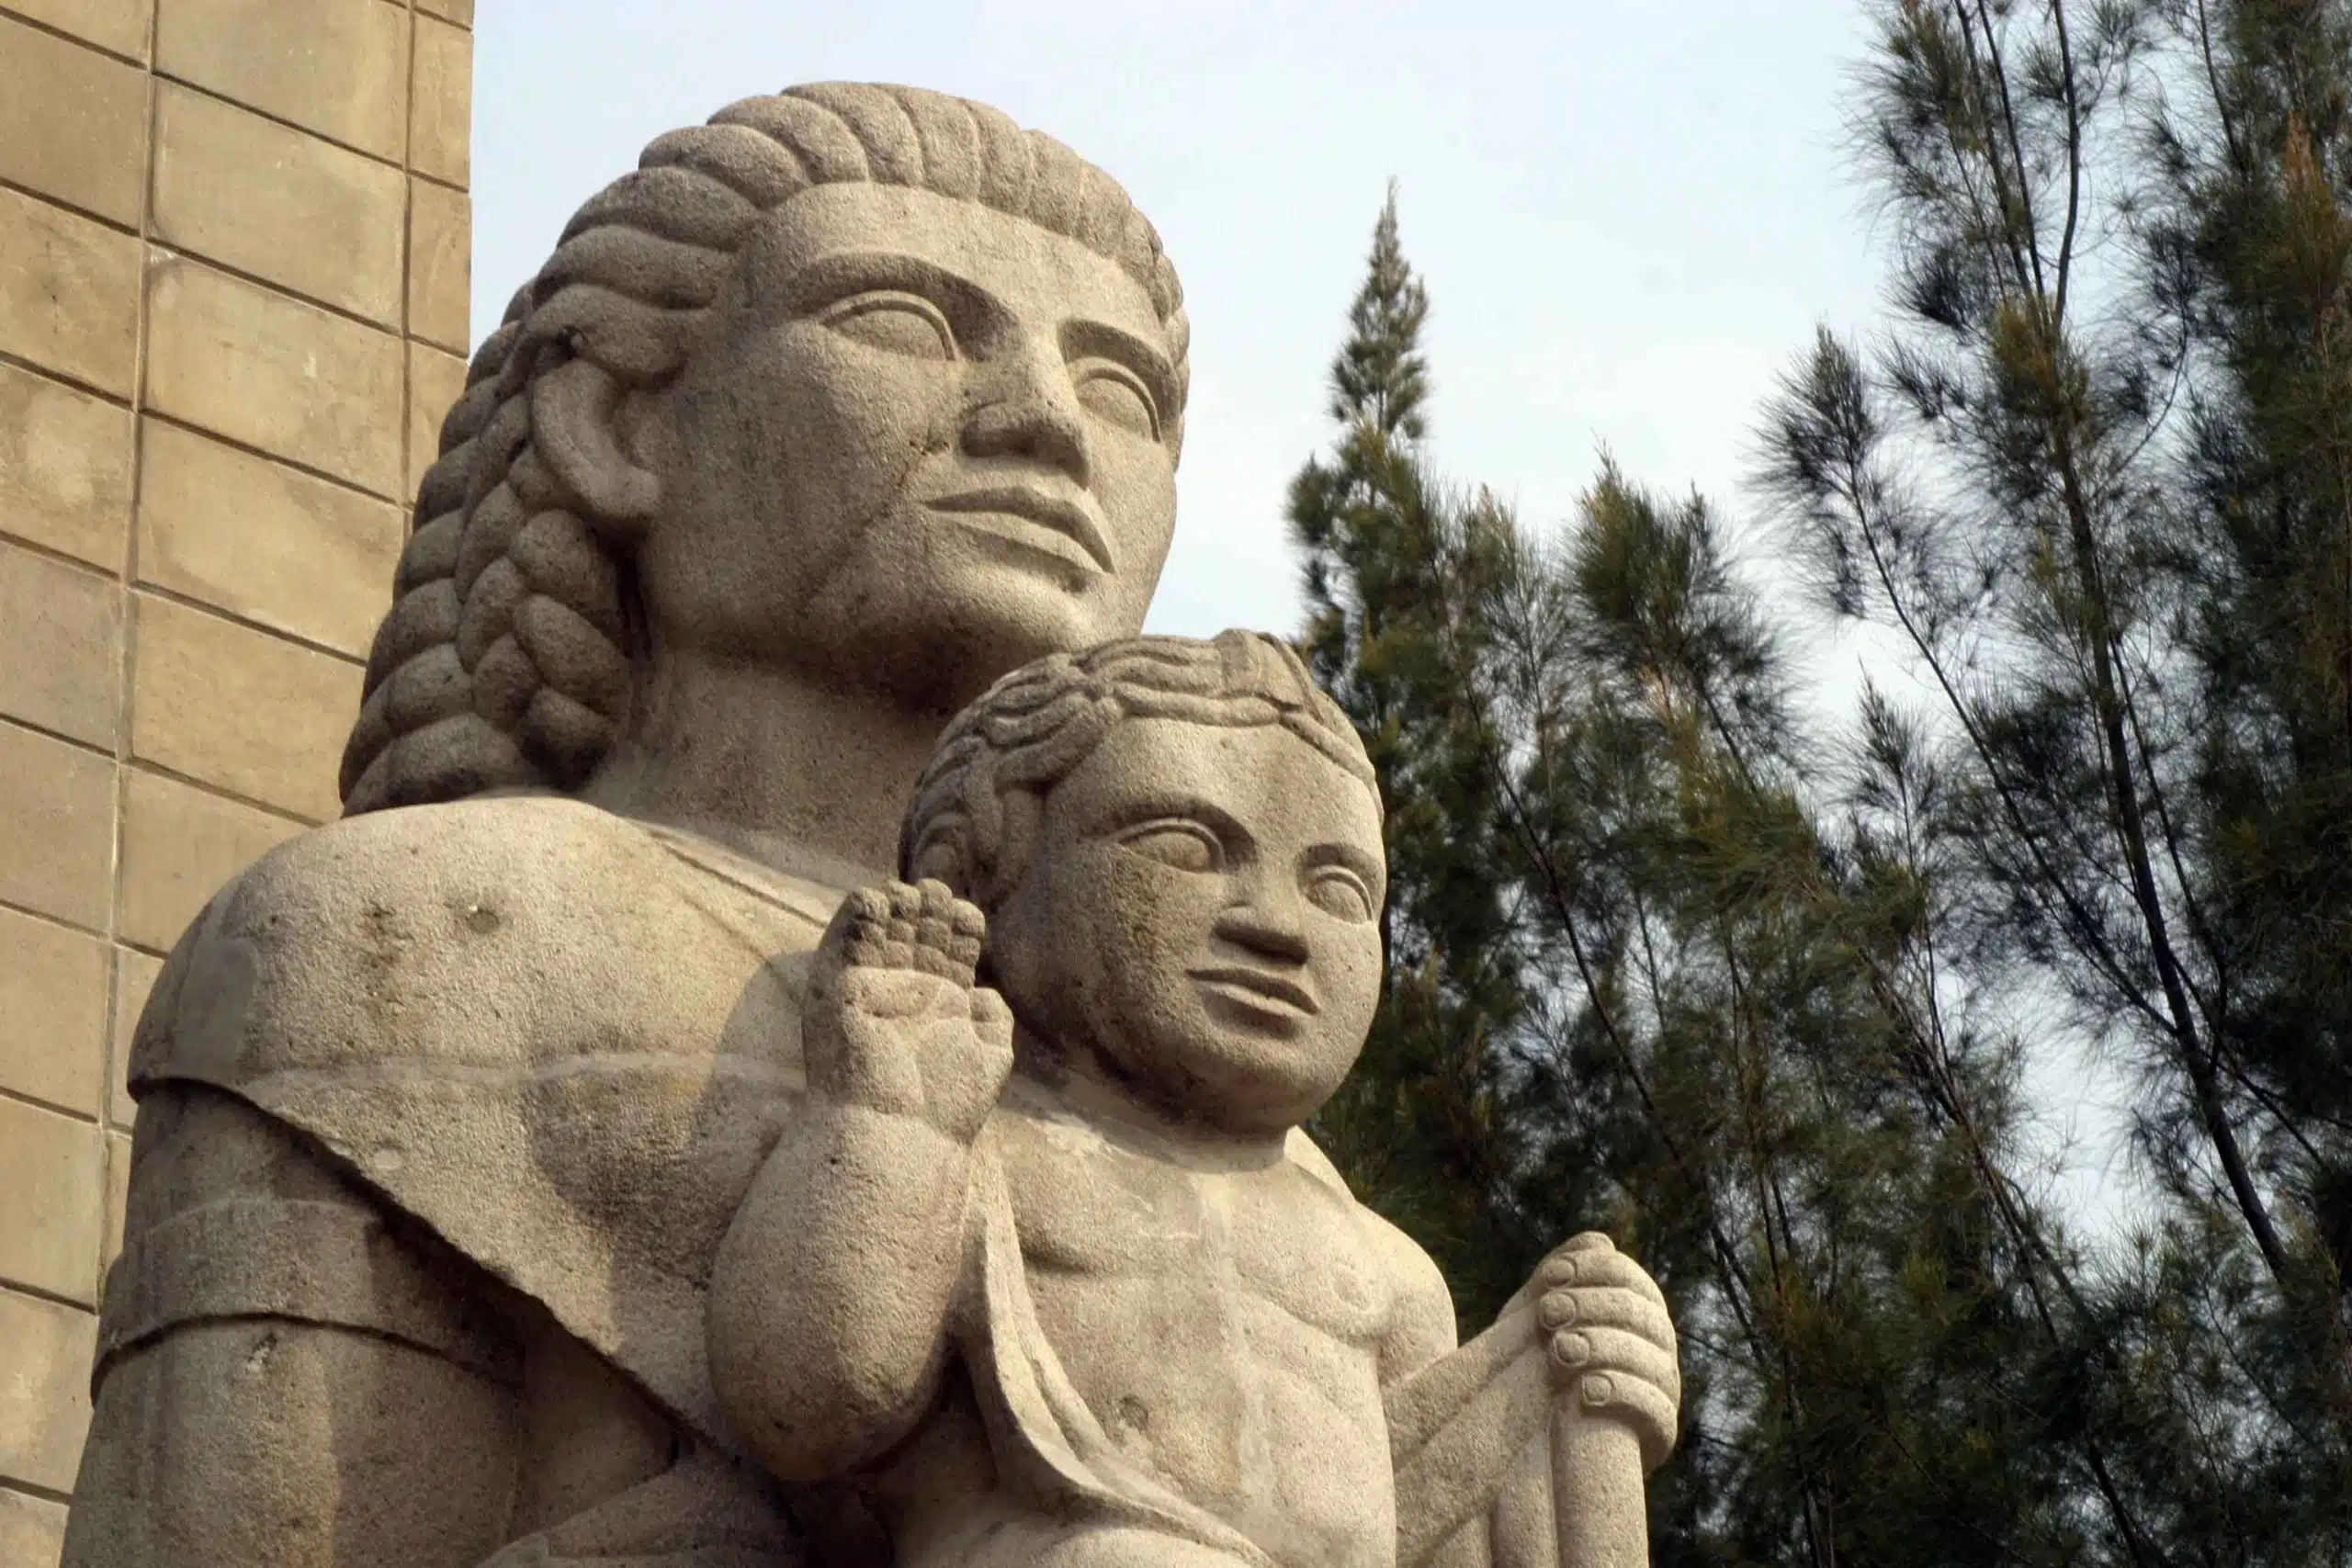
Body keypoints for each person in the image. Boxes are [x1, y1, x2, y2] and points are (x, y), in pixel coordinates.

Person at [65, 84, 1189, 1568]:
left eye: (1122, 392)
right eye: (904, 321)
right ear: (616, 422)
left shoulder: (1202, 1077)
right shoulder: (390, 944)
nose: (1046, 421)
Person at [710, 632, 1681, 1568]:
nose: (1278, 928)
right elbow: (806, 1401)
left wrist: (1545, 1387)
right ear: (981, 877)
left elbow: (1387, 1530)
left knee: (1581, 1351)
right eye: (1184, 845)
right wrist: (885, 1120)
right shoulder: (981, 1157)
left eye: (1338, 890)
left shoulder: (1386, 1273)